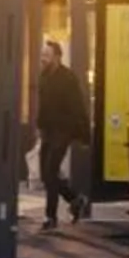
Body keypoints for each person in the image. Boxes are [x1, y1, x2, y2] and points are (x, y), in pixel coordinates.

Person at [36, 38, 91, 228]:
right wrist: (39, 126)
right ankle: (75, 199)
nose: (43, 58)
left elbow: (78, 106)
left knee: (51, 170)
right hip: (48, 130)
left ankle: (50, 217)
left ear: (57, 57)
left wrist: (84, 134)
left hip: (63, 130)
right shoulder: (44, 76)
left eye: (47, 55)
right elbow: (43, 105)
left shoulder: (68, 78)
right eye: (42, 55)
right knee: (45, 174)